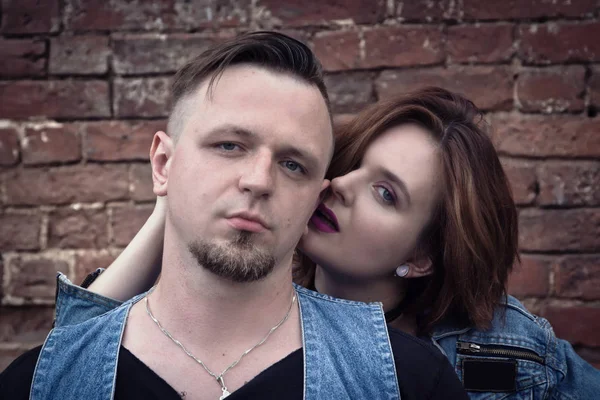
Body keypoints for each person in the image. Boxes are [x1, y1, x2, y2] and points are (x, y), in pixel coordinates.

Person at [33, 86, 600, 399]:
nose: (339, 188)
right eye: (350, 167)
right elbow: (74, 366)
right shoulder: (251, 289)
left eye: (385, 193)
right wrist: (172, 194)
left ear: (421, 256)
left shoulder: (501, 352)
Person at [0, 33, 468, 400]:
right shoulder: (40, 384)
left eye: (292, 164)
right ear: (164, 164)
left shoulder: (410, 382)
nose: (259, 180)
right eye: (229, 145)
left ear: (314, 199)